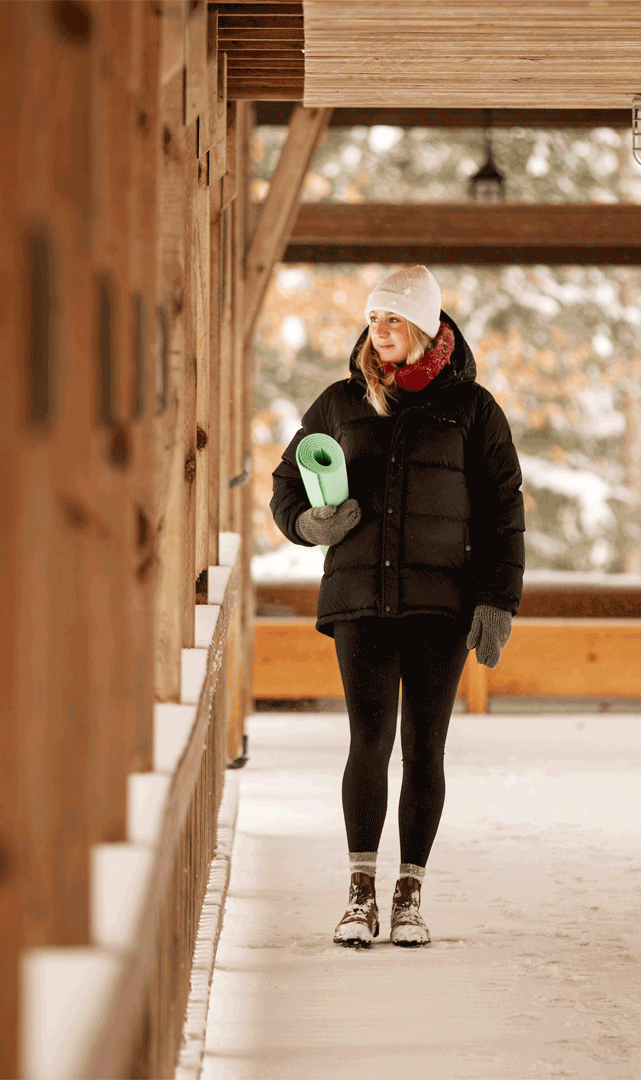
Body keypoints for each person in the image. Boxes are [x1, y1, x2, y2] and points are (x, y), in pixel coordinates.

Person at [271, 265, 525, 948]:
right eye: (373, 318)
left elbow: (504, 512)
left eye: (393, 318)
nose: (378, 330)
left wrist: (499, 599)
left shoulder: (473, 410)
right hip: (361, 599)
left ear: (424, 324)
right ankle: (360, 896)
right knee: (369, 741)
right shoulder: (340, 402)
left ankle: (410, 895)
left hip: (442, 605)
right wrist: (308, 524)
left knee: (424, 747)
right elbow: (286, 483)